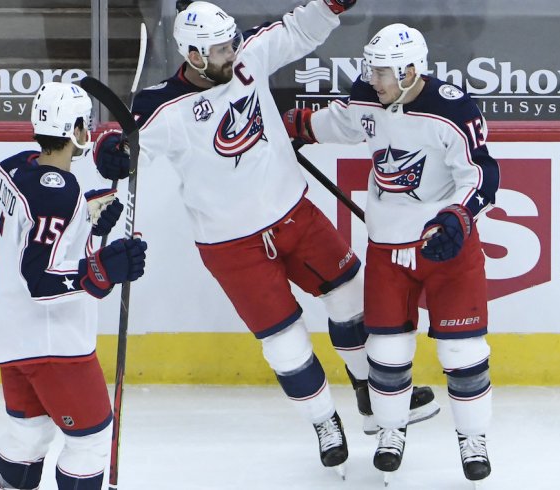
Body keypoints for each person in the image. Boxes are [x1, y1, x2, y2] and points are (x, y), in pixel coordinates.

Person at [92, 0, 438, 476]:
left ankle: (367, 390)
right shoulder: (162, 106)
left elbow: (297, 30)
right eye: (218, 50)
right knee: (284, 343)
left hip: (294, 213)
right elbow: (124, 144)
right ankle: (323, 423)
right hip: (231, 245)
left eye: (231, 42)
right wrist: (110, 149)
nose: (231, 54)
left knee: (352, 301)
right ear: (192, 55)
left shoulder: (246, 56)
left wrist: (331, 4)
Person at [284, 23, 499, 484]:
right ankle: (390, 431)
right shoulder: (369, 97)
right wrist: (288, 127)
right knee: (386, 349)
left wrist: (459, 218)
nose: (373, 79)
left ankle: (473, 437)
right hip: (387, 249)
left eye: (383, 72)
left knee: (463, 352)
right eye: (372, 69)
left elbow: (482, 173)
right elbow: (334, 123)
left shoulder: (451, 108)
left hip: (447, 247)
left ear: (409, 69)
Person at [0, 81, 148, 490]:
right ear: (76, 131)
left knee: (29, 433)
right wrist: (100, 270)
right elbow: (39, 279)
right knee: (90, 440)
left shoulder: (15, 165)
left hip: (4, 329)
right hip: (49, 340)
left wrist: (85, 214)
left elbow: (31, 228)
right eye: (87, 125)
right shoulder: (60, 193)